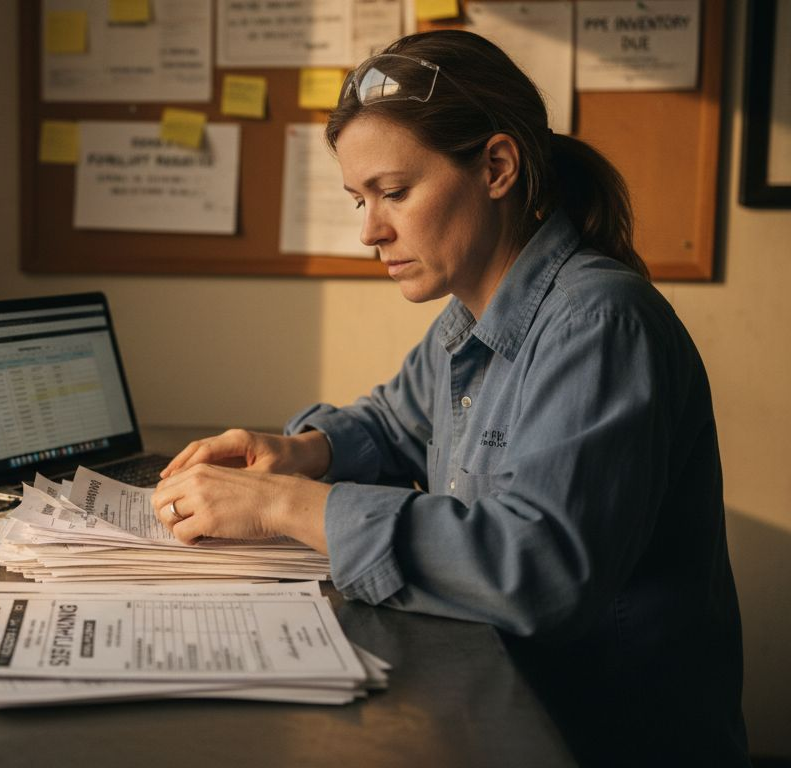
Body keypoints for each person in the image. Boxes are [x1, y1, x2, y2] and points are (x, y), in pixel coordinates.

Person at [150, 30, 747, 767]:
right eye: (357, 199)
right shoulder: (469, 314)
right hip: (503, 715)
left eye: (394, 193)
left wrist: (283, 504)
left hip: (598, 741)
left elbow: (541, 568)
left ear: (497, 166)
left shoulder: (598, 324)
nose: (370, 230)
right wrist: (304, 451)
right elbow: (396, 420)